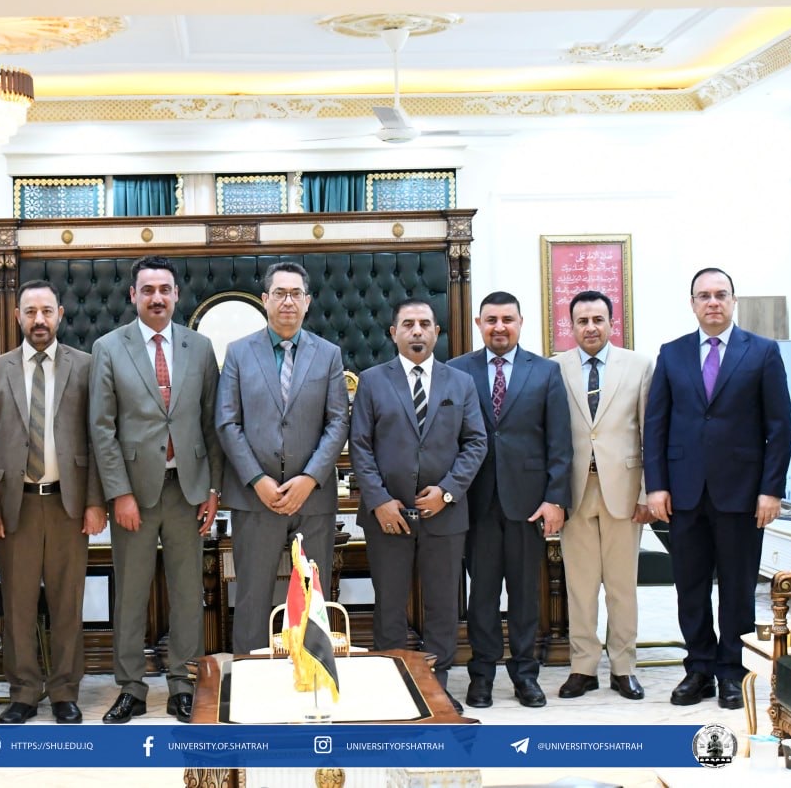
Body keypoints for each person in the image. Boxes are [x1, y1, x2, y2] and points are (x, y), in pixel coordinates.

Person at [643, 267, 791, 709]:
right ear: (692, 303)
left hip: (742, 493)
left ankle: (731, 671)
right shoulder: (672, 354)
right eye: (704, 295)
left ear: (733, 300)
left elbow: (780, 427)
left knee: (737, 587)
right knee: (690, 587)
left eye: (720, 294)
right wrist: (656, 486)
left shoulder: (762, 352)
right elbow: (656, 425)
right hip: (684, 493)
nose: (713, 302)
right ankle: (699, 668)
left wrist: (771, 490)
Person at [90, 255, 224, 724]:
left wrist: (213, 489)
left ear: (176, 294)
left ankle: (183, 684)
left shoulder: (200, 347)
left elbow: (212, 423)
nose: (157, 297)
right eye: (147, 290)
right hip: (135, 494)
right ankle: (130, 687)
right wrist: (119, 493)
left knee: (188, 594)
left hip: (188, 490)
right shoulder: (109, 347)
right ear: (133, 295)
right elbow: (101, 427)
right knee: (131, 594)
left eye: (164, 289)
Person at [0, 279, 106, 724]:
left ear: (60, 315)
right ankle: (24, 692)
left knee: (68, 604)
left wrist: (95, 502)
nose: (39, 320)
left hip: (68, 504)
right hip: (17, 507)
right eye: (30, 312)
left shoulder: (86, 367)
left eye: (47, 311)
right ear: (18, 317)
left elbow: (98, 438)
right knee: (18, 605)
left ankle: (65, 691)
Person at [349, 297, 486, 713]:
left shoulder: (460, 382)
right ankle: (393, 685)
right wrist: (379, 501)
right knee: (389, 604)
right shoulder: (372, 381)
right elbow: (360, 445)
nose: (417, 331)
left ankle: (436, 687)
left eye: (425, 323)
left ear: (436, 332)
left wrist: (447, 491)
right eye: (408, 324)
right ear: (394, 333)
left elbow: (476, 443)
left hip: (445, 514)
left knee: (443, 604)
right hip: (387, 516)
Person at [216, 261, 349, 654]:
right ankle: (249, 679)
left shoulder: (328, 355)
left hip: (313, 499)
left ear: (307, 302)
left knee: (313, 600)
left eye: (295, 294)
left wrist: (309, 478)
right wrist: (257, 480)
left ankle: (312, 678)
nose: (287, 301)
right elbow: (227, 422)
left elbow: (338, 421)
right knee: (252, 599)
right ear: (265, 299)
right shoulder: (239, 353)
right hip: (255, 498)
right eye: (279, 293)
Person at [448, 291, 572, 709]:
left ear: (520, 322)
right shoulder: (457, 370)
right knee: (481, 595)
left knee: (524, 596)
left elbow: (560, 442)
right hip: (476, 502)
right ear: (479, 324)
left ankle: (525, 674)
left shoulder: (547, 371)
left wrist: (556, 499)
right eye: (491, 320)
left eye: (507, 319)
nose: (499, 327)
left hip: (529, 503)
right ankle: (482, 675)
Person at [556, 290, 654, 701]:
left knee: (621, 586)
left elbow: (649, 431)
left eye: (598, 319)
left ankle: (623, 667)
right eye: (582, 321)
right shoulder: (554, 367)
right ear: (572, 326)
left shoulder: (639, 366)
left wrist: (647, 492)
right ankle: (583, 667)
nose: (590, 327)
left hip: (624, 490)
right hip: (575, 491)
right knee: (579, 587)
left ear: (612, 323)